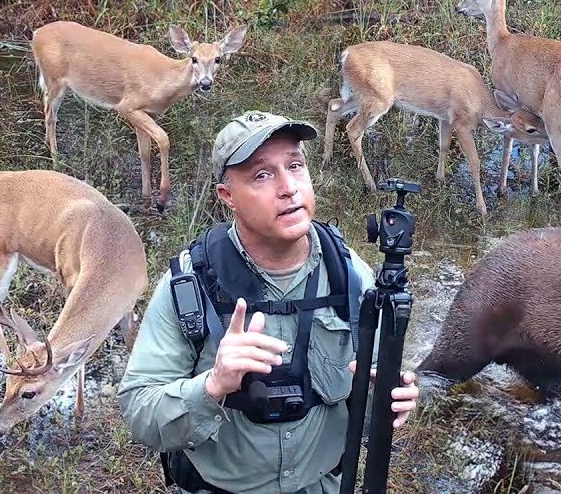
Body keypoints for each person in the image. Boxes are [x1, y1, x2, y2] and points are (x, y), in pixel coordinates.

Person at [118, 110, 420, 494]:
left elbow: (373, 383)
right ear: (227, 196)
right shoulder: (190, 284)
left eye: (295, 166)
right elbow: (139, 410)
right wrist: (213, 385)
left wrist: (391, 397)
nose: (288, 187)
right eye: (262, 174)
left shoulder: (348, 274)